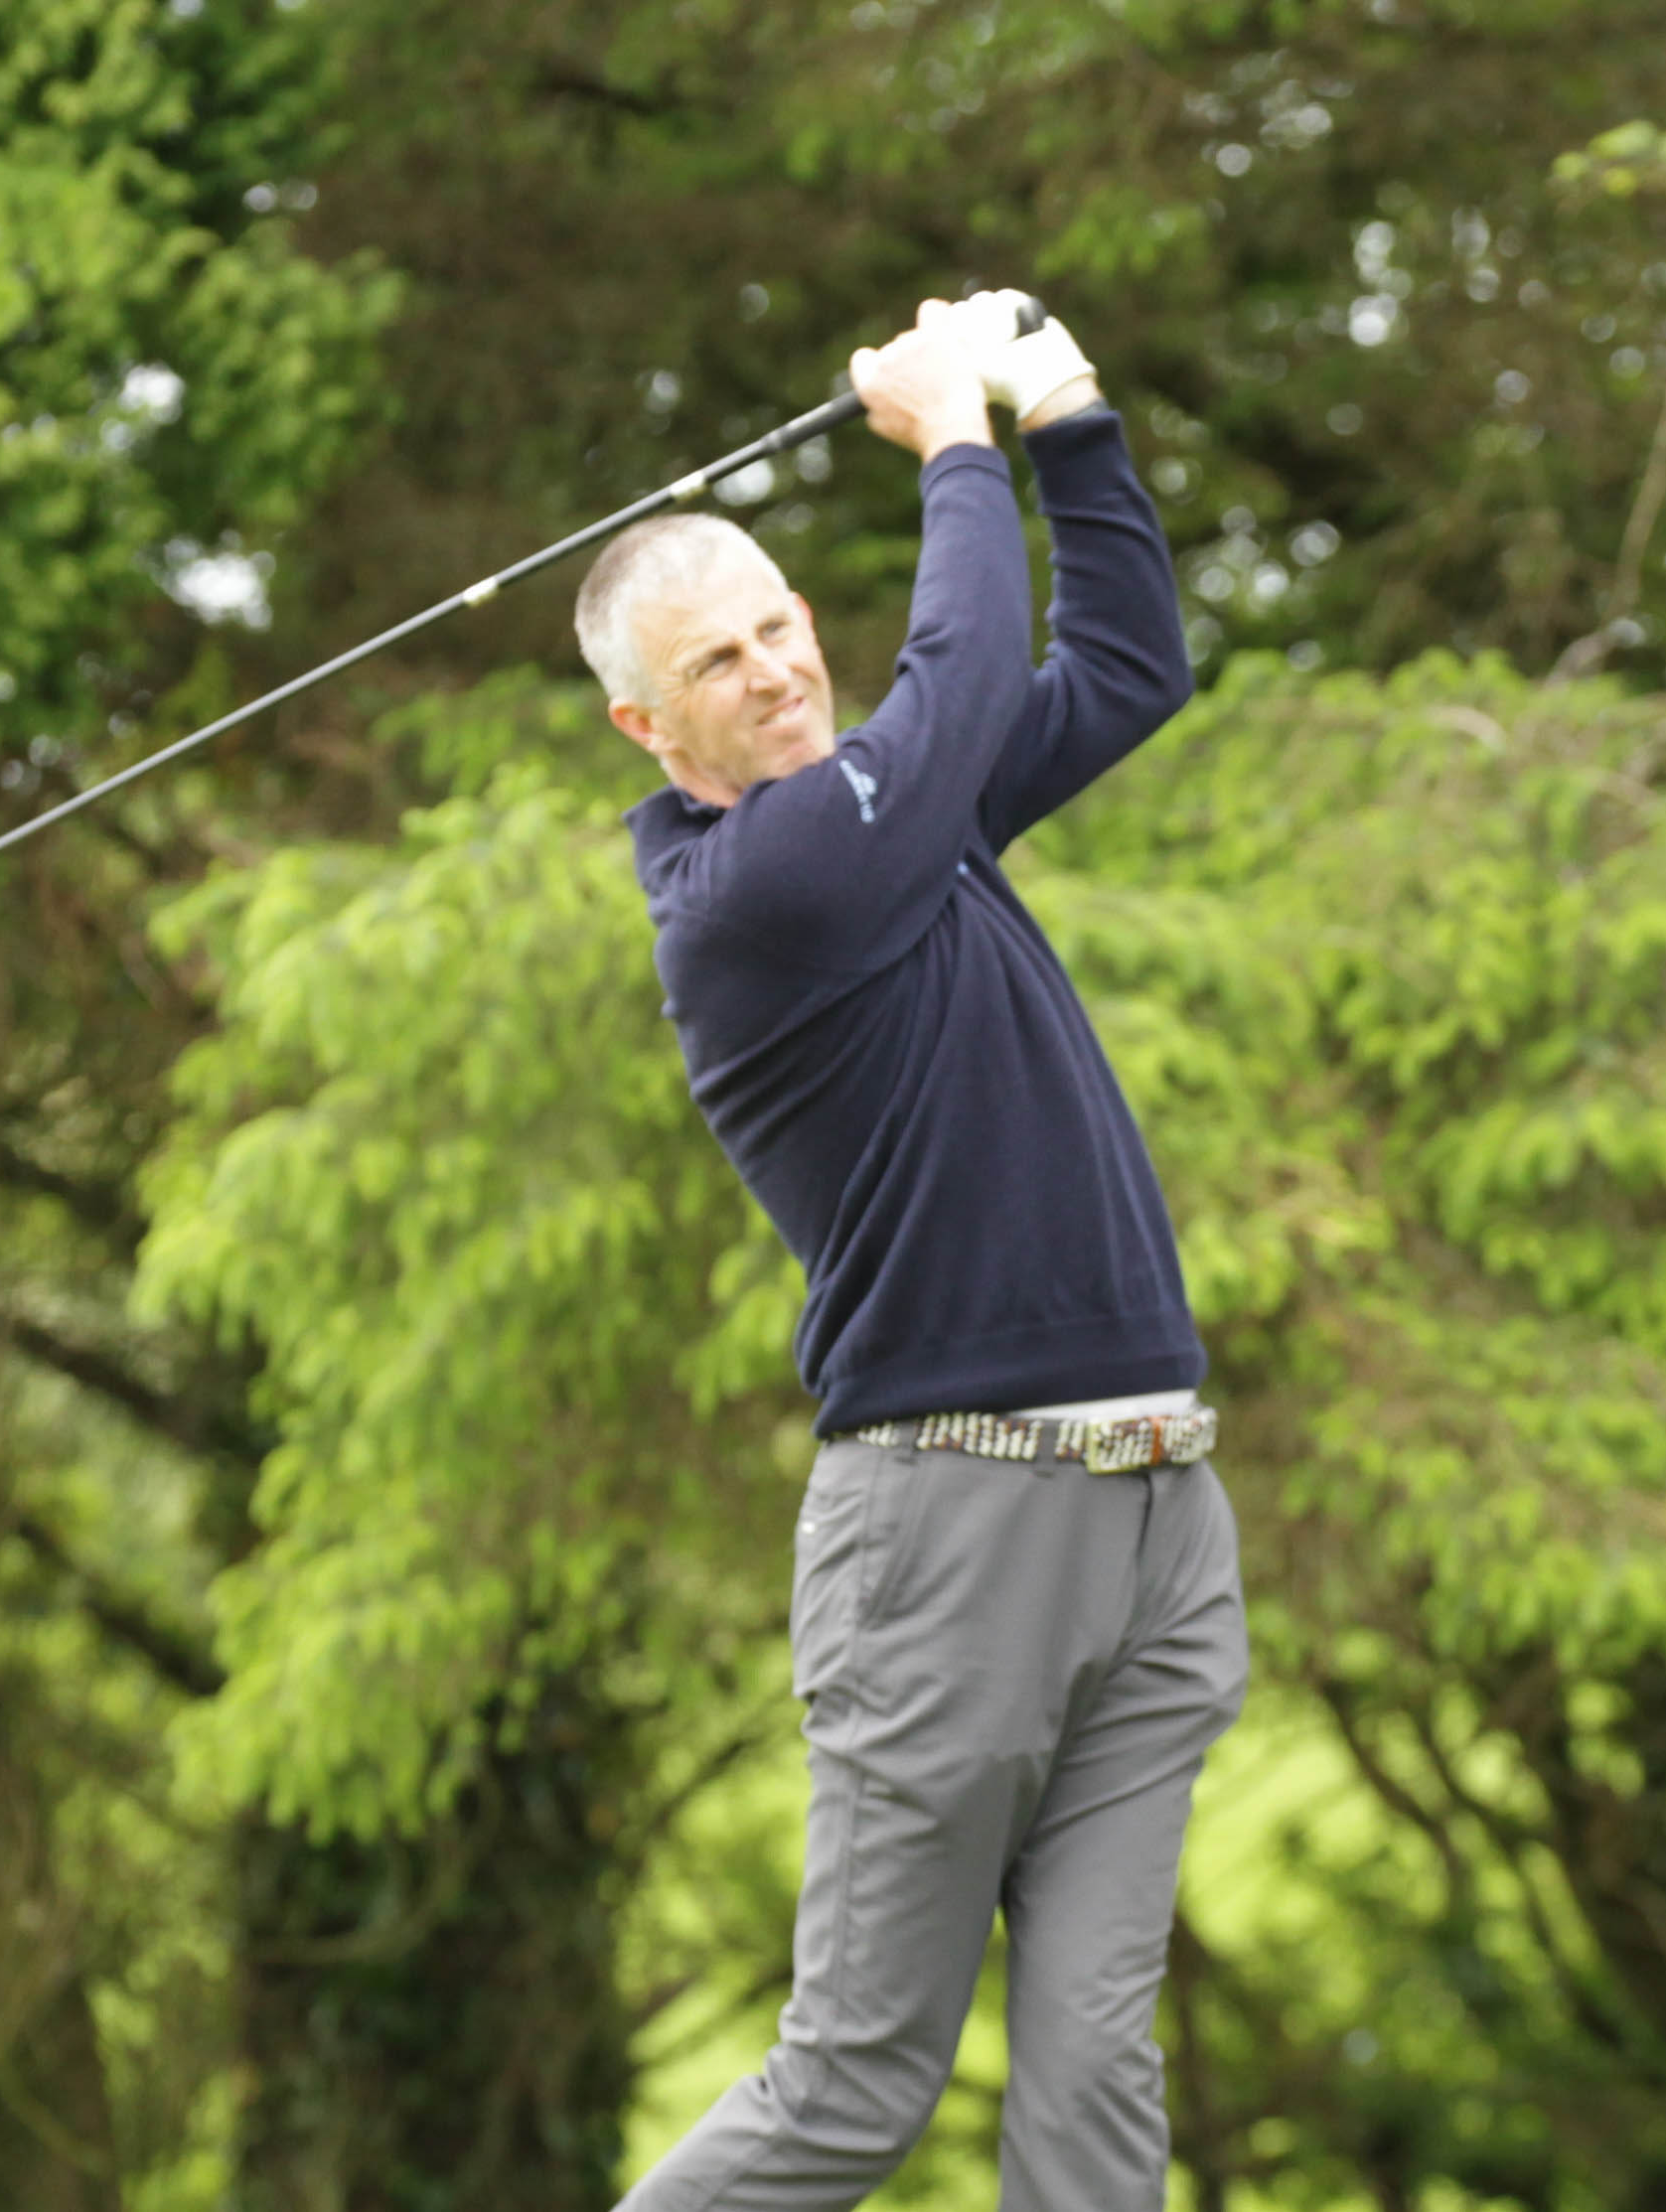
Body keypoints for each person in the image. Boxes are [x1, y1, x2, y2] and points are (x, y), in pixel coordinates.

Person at [574, 294, 1250, 2212]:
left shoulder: (898, 816)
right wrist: (956, 432)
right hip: (953, 1534)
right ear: (648, 727)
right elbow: (957, 679)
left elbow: (1125, 663)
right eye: (718, 662)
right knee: (857, 2083)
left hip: (1156, 1509)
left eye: (781, 624)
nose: (779, 671)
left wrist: (1068, 412)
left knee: (1097, 2074)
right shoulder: (761, 893)